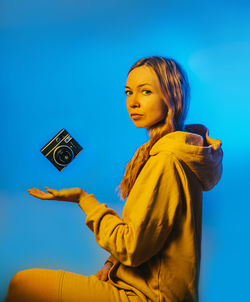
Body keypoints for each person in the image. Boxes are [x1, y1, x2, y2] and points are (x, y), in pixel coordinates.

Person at [5, 56, 223, 302]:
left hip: (149, 297)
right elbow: (148, 232)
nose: (134, 102)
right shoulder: (168, 153)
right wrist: (111, 265)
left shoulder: (166, 160)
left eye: (146, 91)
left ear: (172, 96)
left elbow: (131, 247)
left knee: (23, 284)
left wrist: (84, 200)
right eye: (129, 92)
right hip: (139, 286)